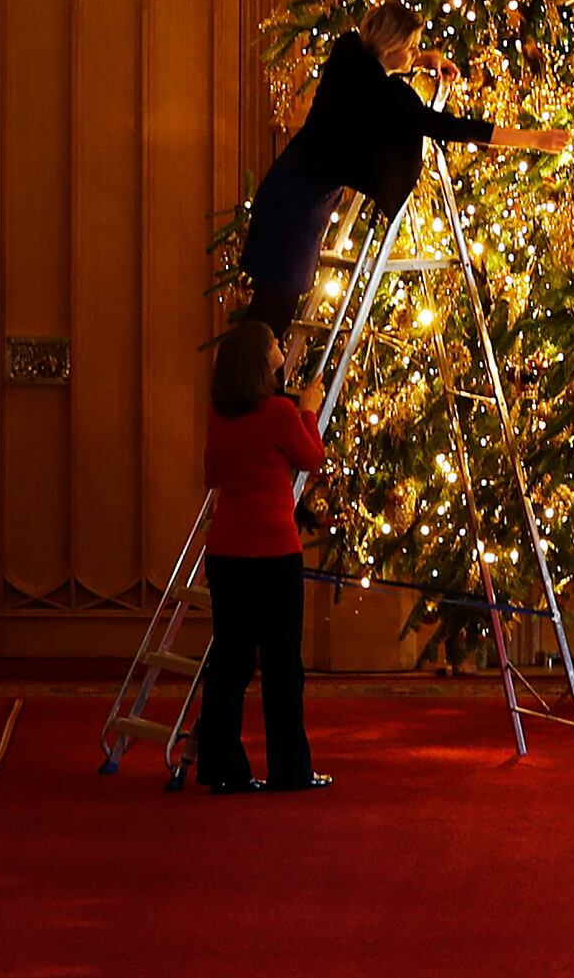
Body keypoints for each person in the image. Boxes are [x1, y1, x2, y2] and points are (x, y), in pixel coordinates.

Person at [239, 1, 570, 325]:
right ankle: (258, 364)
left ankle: (252, 362)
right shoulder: (388, 95)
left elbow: (379, 63)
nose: (416, 52)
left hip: (284, 188)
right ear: (390, 45)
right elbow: (451, 127)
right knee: (272, 318)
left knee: (265, 312)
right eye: (411, 46)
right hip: (299, 208)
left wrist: (425, 59)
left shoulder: (348, 54)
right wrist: (534, 139)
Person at [195, 318, 326, 794]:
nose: (279, 345)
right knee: (282, 665)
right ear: (259, 360)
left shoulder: (220, 412)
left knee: (229, 663)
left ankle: (223, 768)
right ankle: (290, 769)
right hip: (273, 553)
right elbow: (311, 457)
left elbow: (212, 473)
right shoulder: (278, 412)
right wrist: (309, 410)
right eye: (273, 342)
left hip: (227, 553)